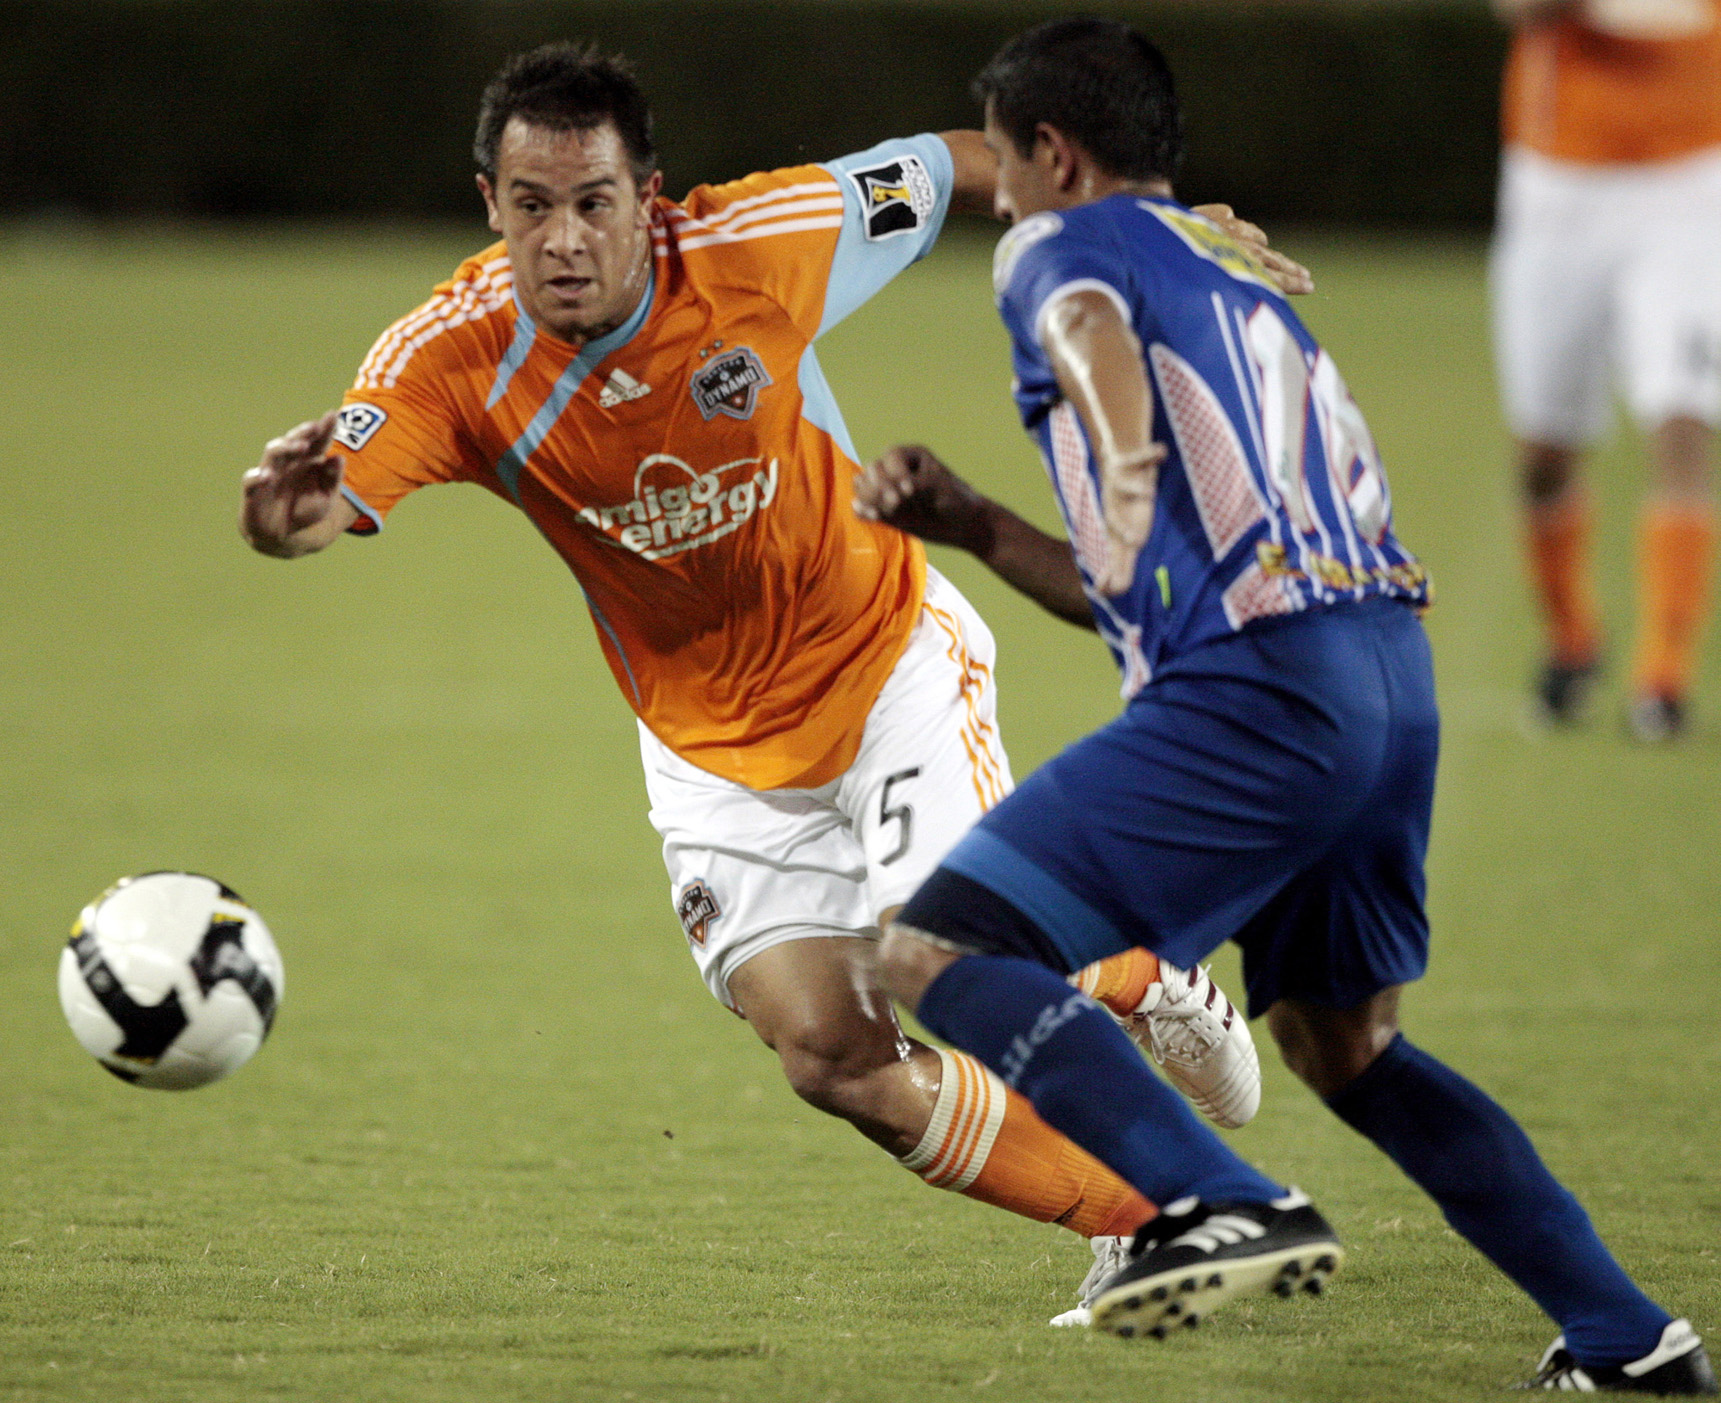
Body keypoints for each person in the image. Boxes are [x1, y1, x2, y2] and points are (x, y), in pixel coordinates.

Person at [237, 42, 1289, 1317]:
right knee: (830, 1052)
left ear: (650, 196)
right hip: (708, 747)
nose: (562, 239)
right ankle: (1133, 1220)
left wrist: (1137, 222)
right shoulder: (449, 355)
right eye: (530, 207)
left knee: (960, 968)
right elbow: (325, 495)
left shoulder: (759, 241)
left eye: (592, 203)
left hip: (883, 659)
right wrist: (280, 512)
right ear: (489, 207)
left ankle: (1143, 977)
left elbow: (959, 161)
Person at [861, 18, 1716, 1391]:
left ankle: (1211, 1196)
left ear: (1055, 153)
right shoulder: (1229, 270)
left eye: (1005, 164)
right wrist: (965, 517)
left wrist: (1121, 442)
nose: (999, 198)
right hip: (1388, 675)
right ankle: (1629, 1337)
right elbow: (1122, 586)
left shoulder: (1058, 250)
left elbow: (1084, 333)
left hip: (1264, 694)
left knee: (931, 956)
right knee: (1347, 1041)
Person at [1491, 0, 1721, 738]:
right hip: (1558, 185)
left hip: (1689, 183)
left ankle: (1661, 677)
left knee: (1682, 415)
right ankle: (1570, 637)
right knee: (1543, 451)